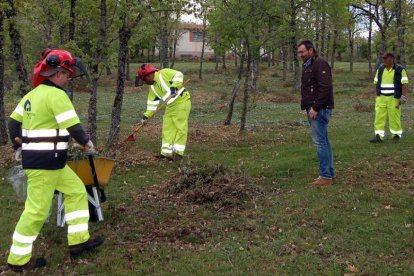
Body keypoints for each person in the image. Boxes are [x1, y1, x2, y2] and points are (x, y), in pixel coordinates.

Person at [6, 49, 103, 272]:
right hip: (44, 164)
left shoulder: (32, 95)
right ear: (58, 73)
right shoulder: (58, 96)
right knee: (36, 211)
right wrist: (87, 144)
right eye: (67, 74)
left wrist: (18, 145)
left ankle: (79, 240)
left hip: (52, 162)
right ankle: (17, 260)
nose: (68, 79)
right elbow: (74, 127)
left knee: (76, 191)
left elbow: (13, 124)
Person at [297, 40, 335, 187]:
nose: (300, 55)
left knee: (320, 142)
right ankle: (329, 174)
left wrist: (315, 108)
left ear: (311, 50)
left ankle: (325, 176)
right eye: (299, 52)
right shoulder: (308, 64)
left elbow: (326, 87)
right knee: (324, 141)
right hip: (314, 108)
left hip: (319, 109)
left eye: (302, 52)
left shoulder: (319, 64)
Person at [137, 64, 191, 160]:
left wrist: (174, 86)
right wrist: (145, 117)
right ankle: (166, 154)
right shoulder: (152, 88)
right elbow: (152, 105)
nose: (145, 82)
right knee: (167, 129)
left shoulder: (164, 72)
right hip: (170, 106)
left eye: (144, 79)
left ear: (149, 75)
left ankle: (178, 154)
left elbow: (179, 75)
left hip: (182, 101)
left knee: (180, 128)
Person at [370, 52, 409, 143]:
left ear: (392, 59)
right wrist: (376, 96)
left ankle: (396, 135)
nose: (384, 60)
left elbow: (405, 83)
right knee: (379, 117)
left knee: (394, 117)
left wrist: (403, 96)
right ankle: (378, 136)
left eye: (385, 58)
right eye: (383, 58)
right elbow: (375, 83)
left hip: (394, 99)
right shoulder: (380, 69)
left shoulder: (400, 70)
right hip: (381, 98)